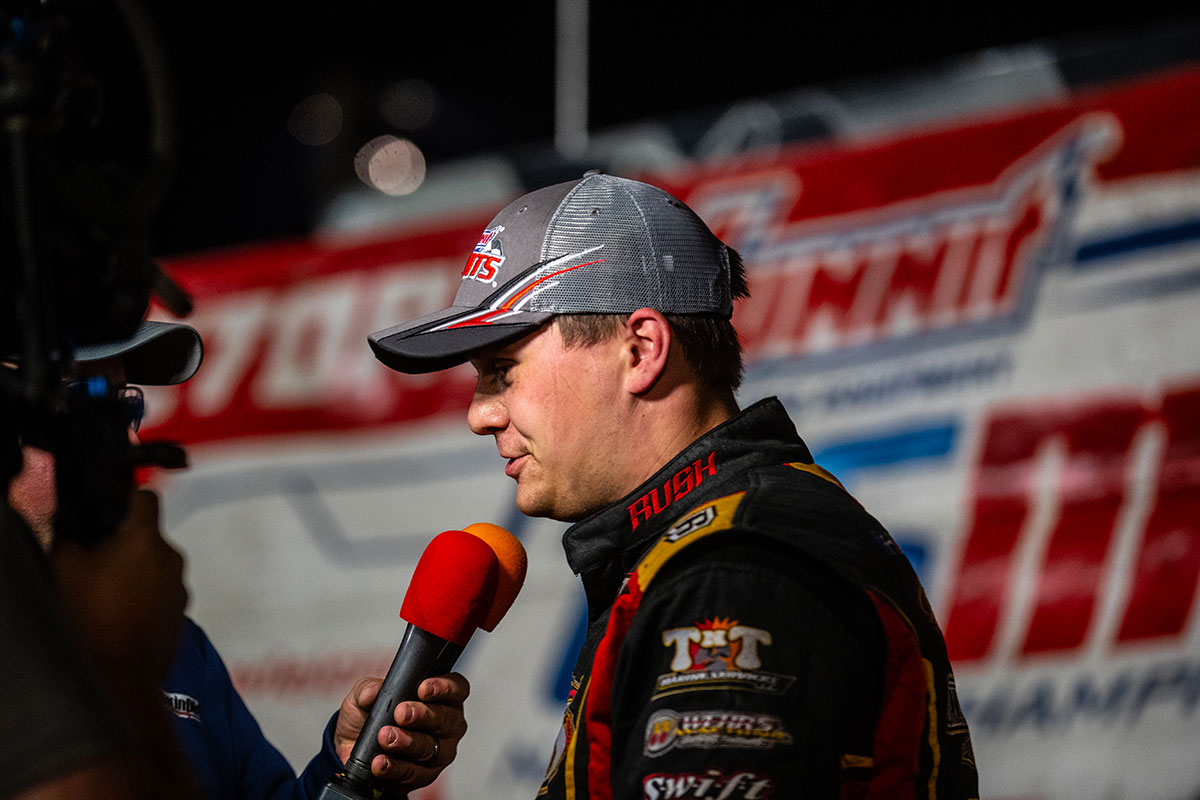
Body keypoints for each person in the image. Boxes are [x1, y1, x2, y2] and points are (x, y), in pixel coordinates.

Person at [366, 172, 980, 798]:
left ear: (641, 349)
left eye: (502, 371)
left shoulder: (731, 569)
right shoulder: (710, 544)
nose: (479, 414)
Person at [4, 321, 468, 799]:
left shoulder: (175, 643)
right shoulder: (131, 641)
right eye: (84, 406)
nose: (127, 441)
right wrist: (123, 672)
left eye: (126, 405)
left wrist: (349, 772)